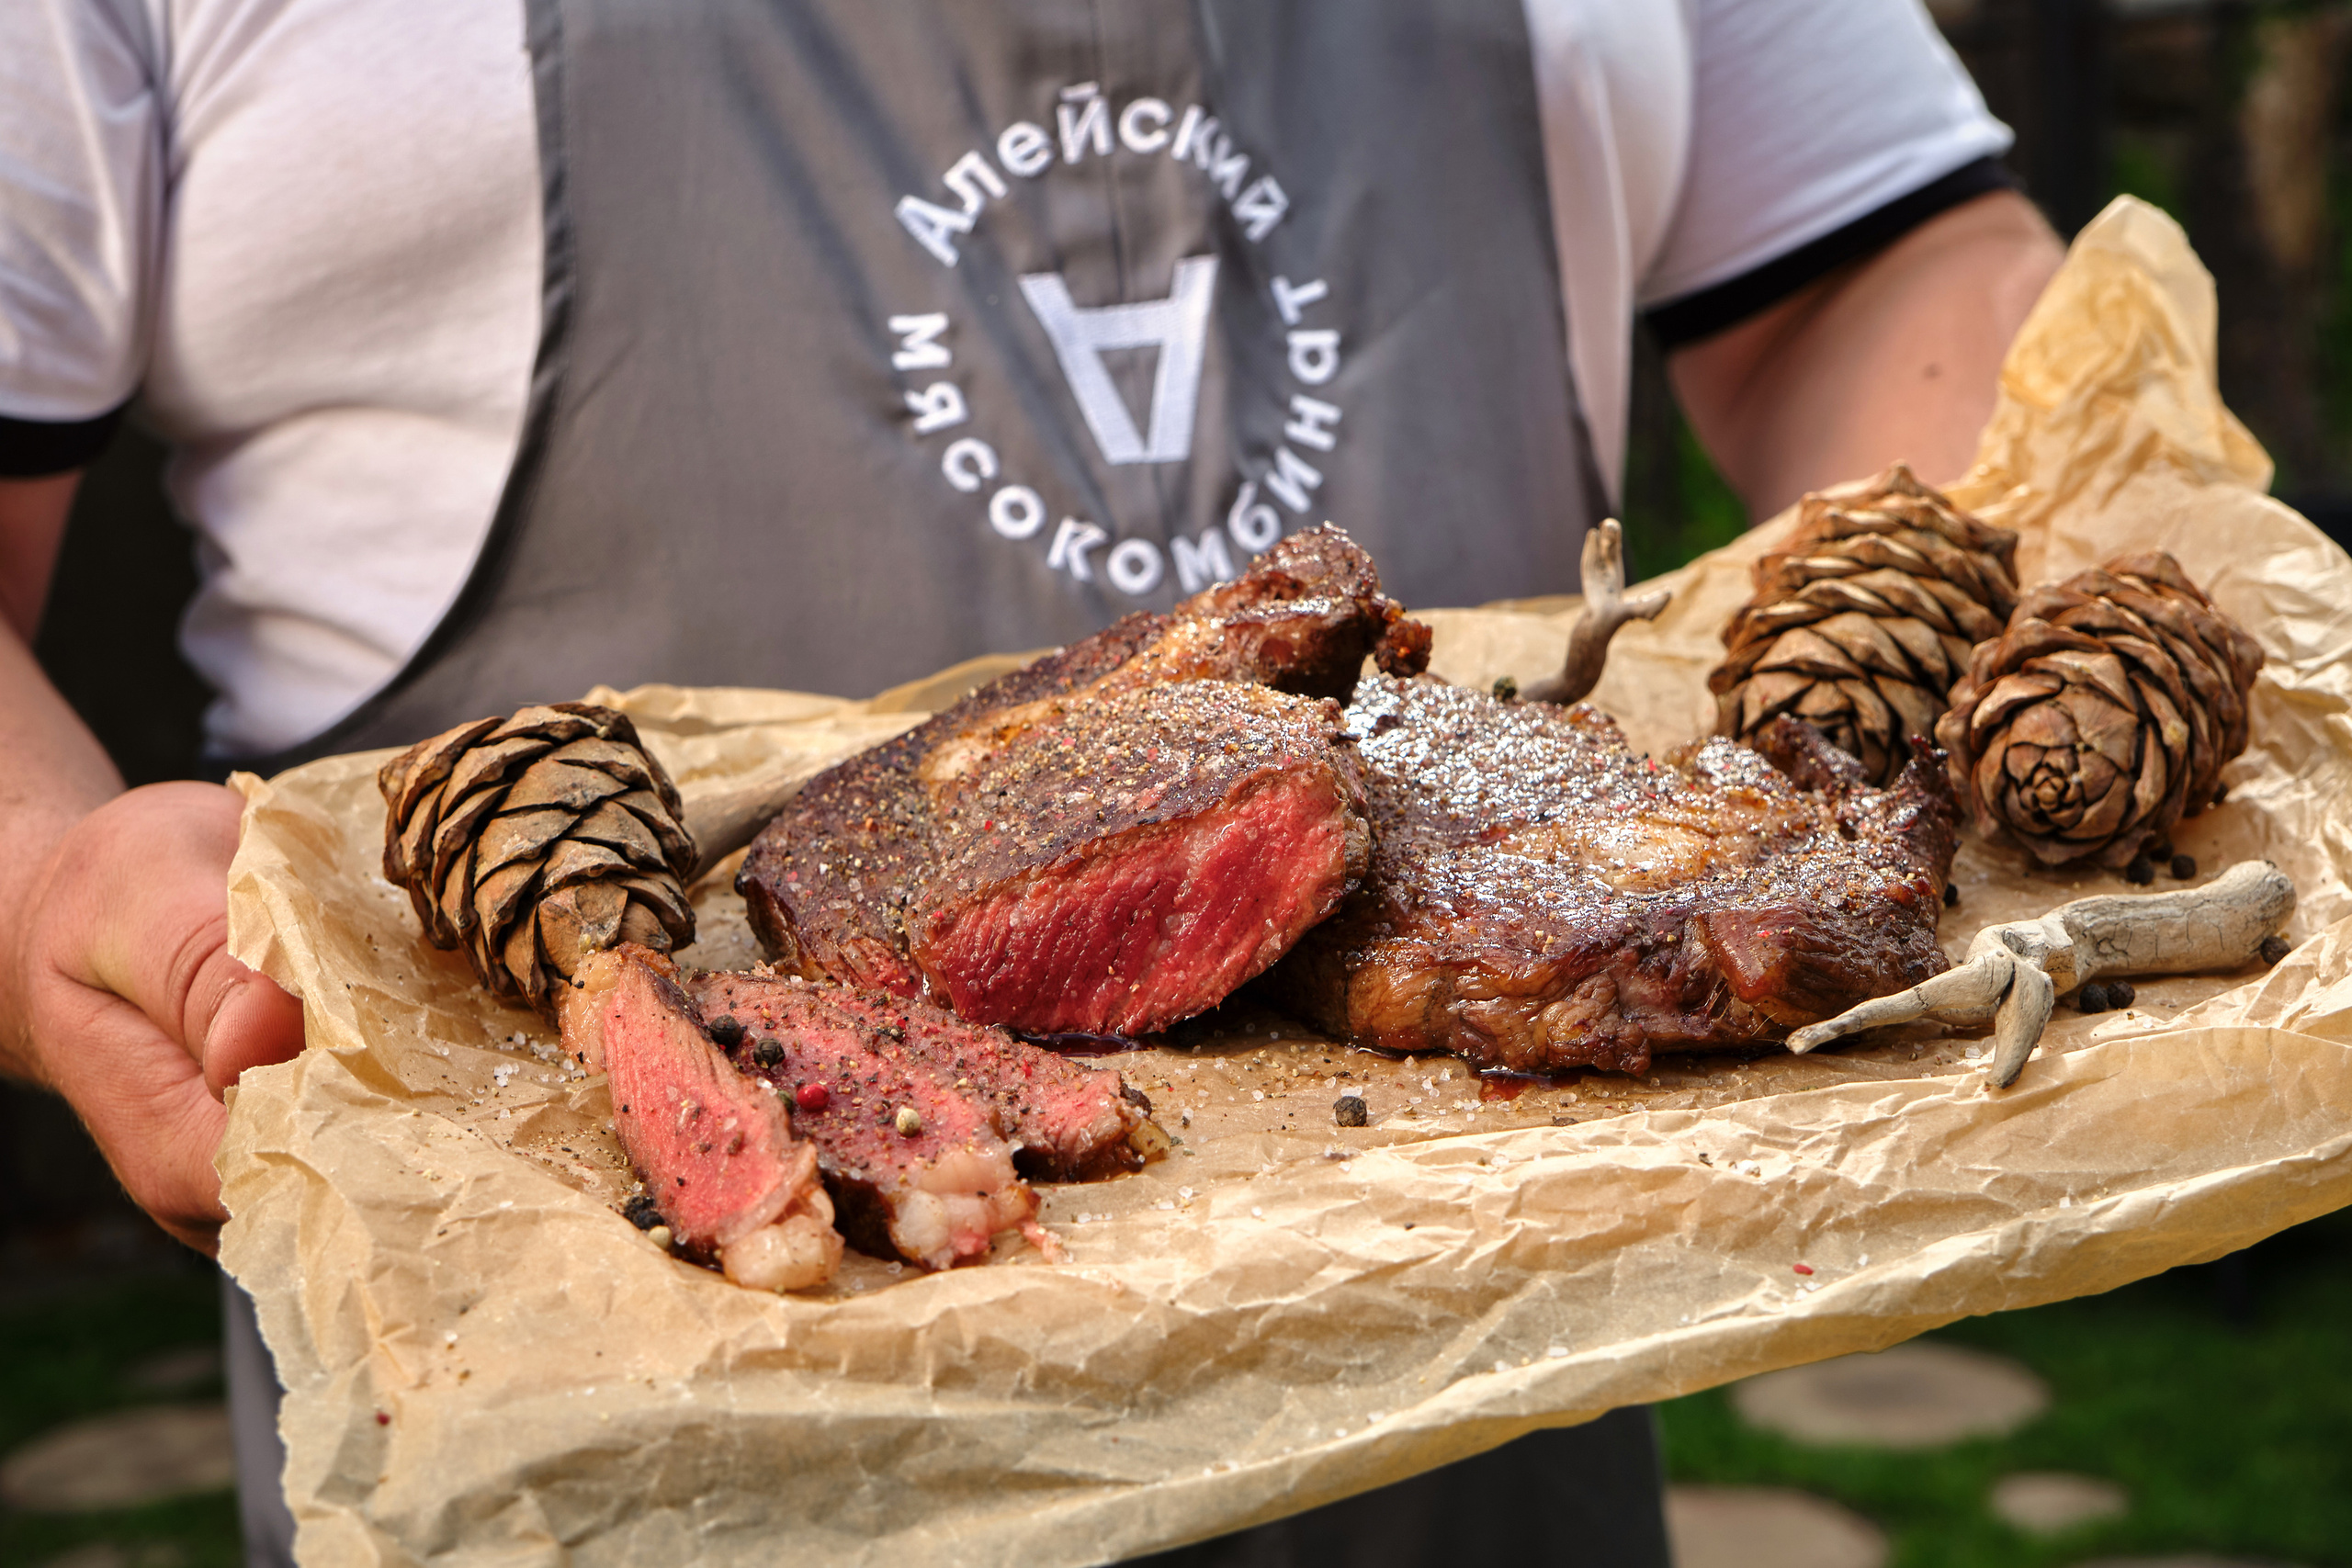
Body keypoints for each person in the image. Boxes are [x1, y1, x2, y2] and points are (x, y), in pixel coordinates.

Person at [1, 1, 2064, 1562]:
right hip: (605, 1446)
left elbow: (1876, 271)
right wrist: (38, 892)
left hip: (1488, 1431)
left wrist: (2057, 609)